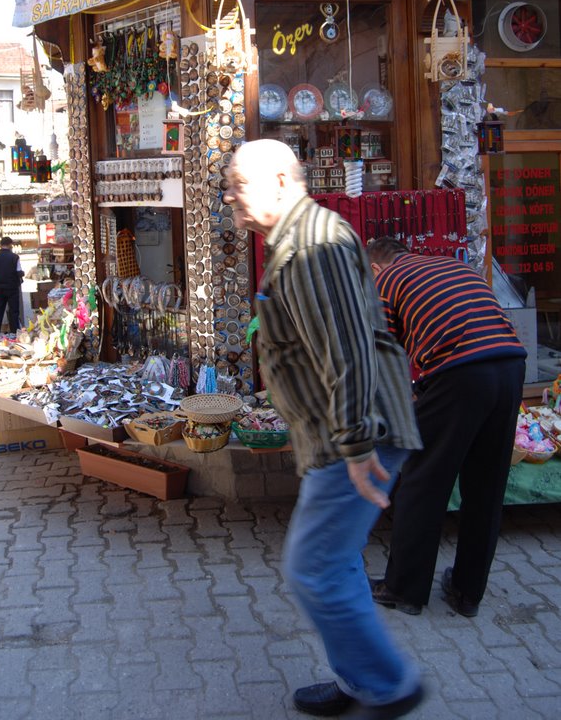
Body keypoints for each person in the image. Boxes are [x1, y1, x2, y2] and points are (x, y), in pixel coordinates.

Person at [224, 140, 424, 720]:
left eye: (241, 182)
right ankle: (361, 680)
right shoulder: (294, 240)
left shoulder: (314, 245)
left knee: (313, 568)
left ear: (283, 181)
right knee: (337, 564)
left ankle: (389, 686)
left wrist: (358, 446)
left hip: (356, 434)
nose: (231, 195)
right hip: (341, 432)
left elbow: (348, 352)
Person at [366, 238, 526, 619]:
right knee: (486, 486)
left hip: (461, 372)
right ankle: (467, 592)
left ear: (375, 268)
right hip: (510, 366)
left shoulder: (387, 281)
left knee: (423, 480)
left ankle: (404, 588)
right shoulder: (454, 267)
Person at [0, 237, 24, 339]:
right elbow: (19, 271)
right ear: (10, 244)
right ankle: (15, 334)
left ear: (0, 244)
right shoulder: (14, 257)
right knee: (13, 311)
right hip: (12, 288)